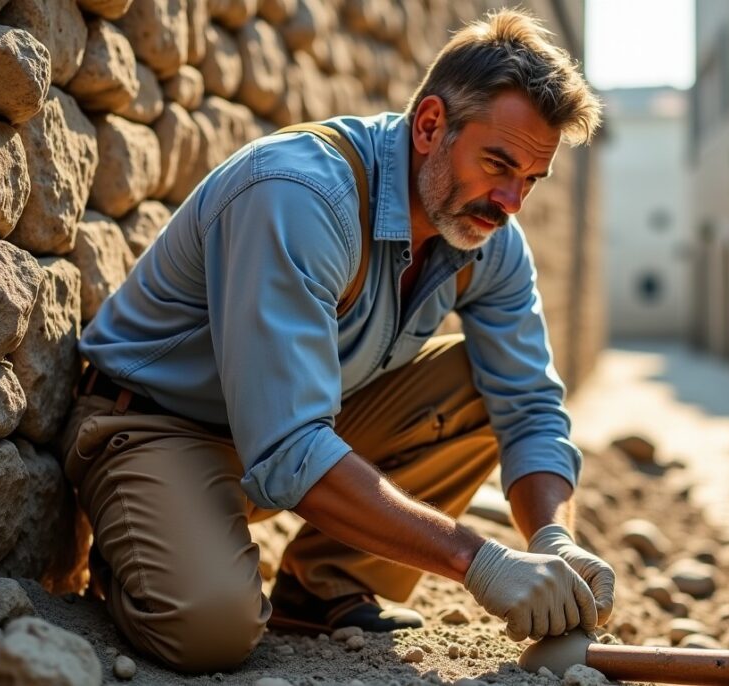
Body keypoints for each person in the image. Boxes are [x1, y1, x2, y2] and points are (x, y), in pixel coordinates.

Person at [56, 8, 615, 674]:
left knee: (482, 384)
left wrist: (555, 535)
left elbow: (529, 406)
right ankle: (141, 552)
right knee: (210, 630)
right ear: (432, 125)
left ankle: (322, 586)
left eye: (531, 178)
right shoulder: (299, 196)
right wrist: (477, 560)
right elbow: (288, 446)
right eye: (499, 164)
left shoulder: (487, 238)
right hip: (153, 425)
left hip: (281, 437)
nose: (511, 201)